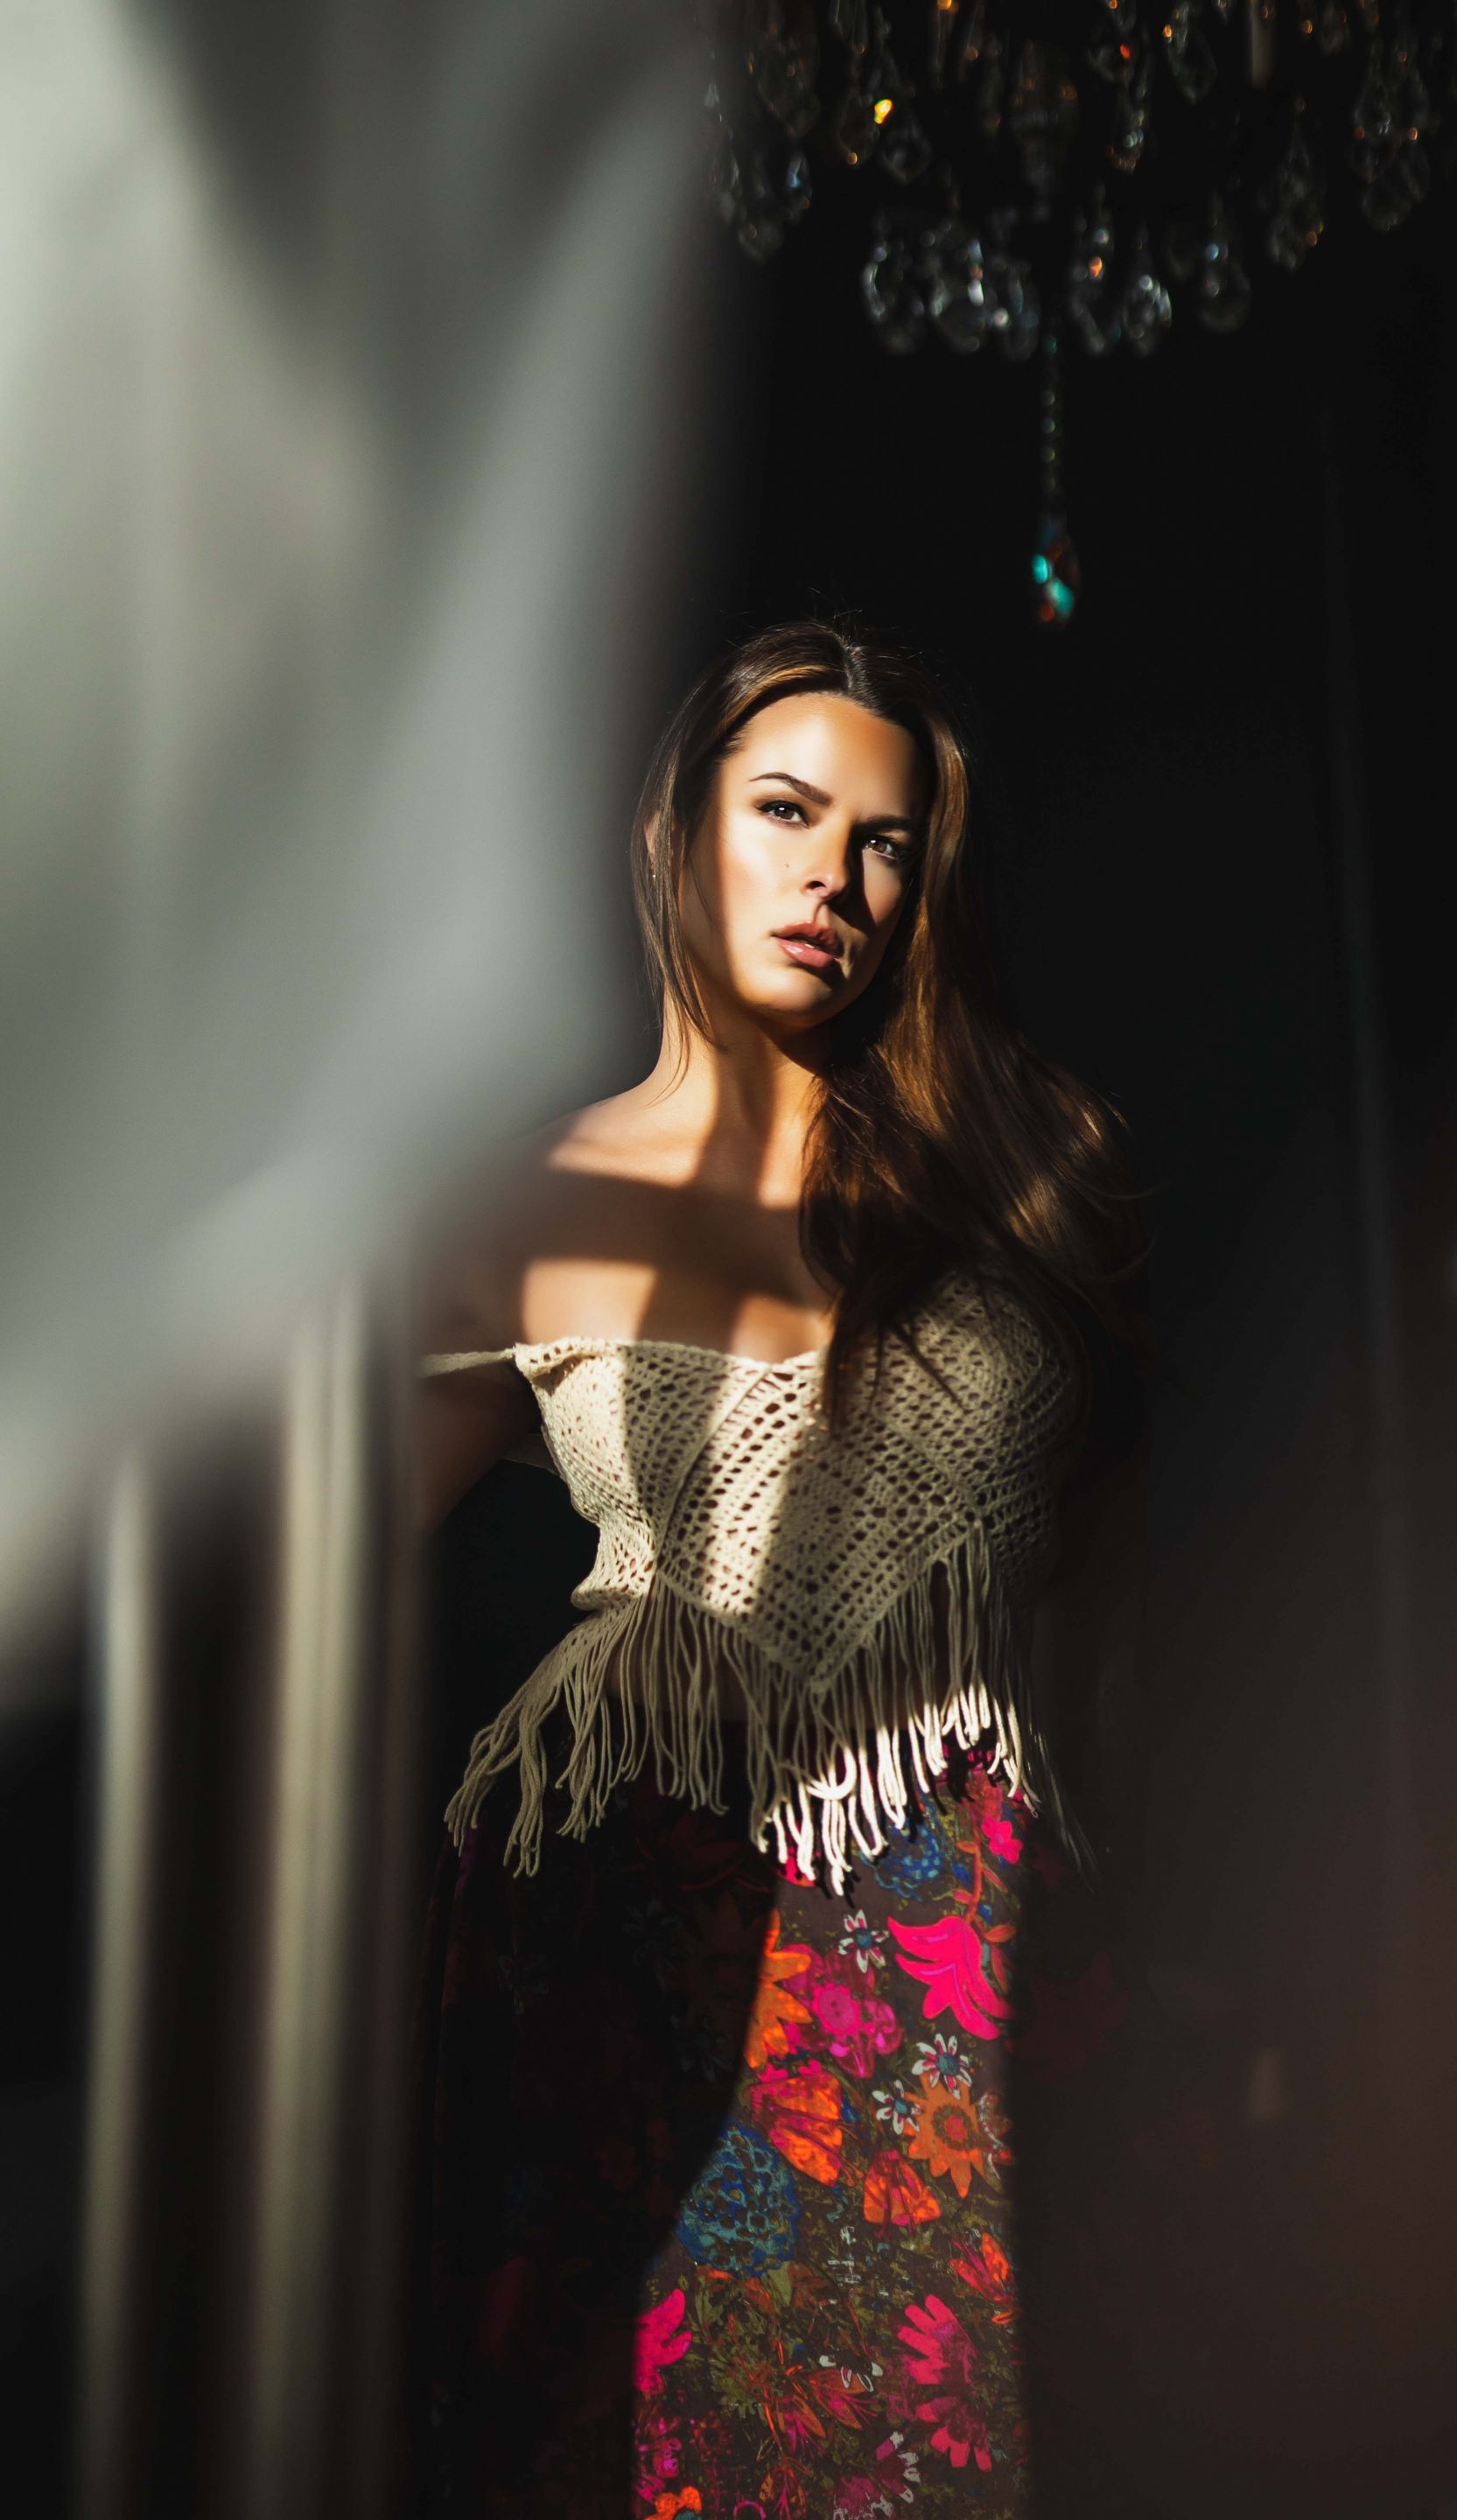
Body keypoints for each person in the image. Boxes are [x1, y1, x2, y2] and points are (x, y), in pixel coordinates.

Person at [409, 620, 1146, 2517]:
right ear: (684, 837)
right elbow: (310, 1576)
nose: (836, 875)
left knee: (943, 2443)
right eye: (788, 811)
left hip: (948, 1934)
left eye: (886, 841)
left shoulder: (1029, 1166)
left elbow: (1132, 1580)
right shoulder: (540, 1199)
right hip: (637, 1913)